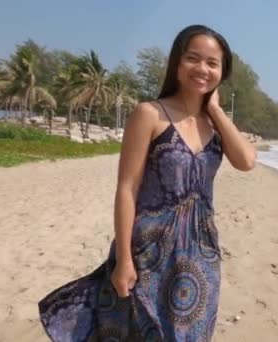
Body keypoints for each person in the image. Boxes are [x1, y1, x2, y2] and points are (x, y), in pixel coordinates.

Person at [38, 24, 256, 341]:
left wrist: (215, 109)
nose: (202, 69)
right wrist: (124, 259)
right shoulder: (151, 114)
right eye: (193, 58)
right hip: (148, 253)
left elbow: (247, 161)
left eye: (212, 63)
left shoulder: (215, 123)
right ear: (177, 63)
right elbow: (126, 189)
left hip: (201, 255)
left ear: (222, 72)